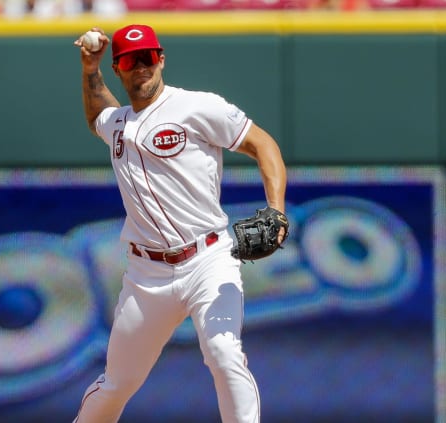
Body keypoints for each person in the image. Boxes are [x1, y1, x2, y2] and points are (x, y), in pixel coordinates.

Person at [72, 23, 288, 423]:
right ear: (118, 68)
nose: (142, 67)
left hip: (208, 258)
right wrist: (90, 70)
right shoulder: (118, 123)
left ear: (162, 59)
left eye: (149, 57)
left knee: (225, 353)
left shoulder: (197, 106)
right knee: (117, 383)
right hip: (146, 275)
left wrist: (276, 210)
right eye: (131, 60)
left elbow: (263, 144)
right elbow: (97, 114)